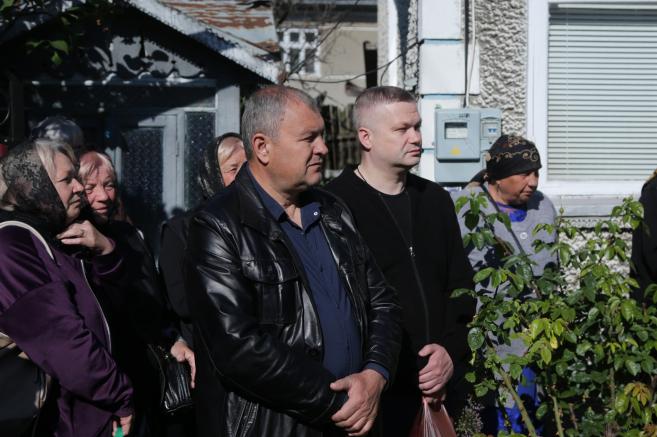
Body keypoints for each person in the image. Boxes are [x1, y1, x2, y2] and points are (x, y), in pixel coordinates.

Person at [185, 85, 402, 437]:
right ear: (262, 147)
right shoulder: (217, 225)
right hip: (276, 426)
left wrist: (376, 374)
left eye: (322, 136)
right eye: (308, 138)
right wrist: (338, 402)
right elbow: (237, 346)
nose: (323, 148)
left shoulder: (333, 211)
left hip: (356, 421)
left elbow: (383, 301)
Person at [326, 86, 476, 435]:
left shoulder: (435, 200)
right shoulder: (335, 206)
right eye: (402, 129)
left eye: (417, 126)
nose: (416, 137)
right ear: (366, 137)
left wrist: (449, 352)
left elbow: (461, 288)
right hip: (373, 396)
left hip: (438, 391)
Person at [0, 139, 133, 436]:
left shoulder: (60, 236)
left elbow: (120, 308)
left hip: (90, 413)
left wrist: (106, 251)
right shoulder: (13, 244)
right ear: (33, 186)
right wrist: (117, 393)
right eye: (66, 180)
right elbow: (60, 338)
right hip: (59, 422)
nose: (78, 187)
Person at [78, 151, 195, 437]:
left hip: (142, 376)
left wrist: (173, 339)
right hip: (98, 383)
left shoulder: (131, 236)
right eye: (90, 187)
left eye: (109, 185)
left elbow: (152, 302)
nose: (103, 196)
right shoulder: (69, 245)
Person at [450, 134, 557, 435]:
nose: (533, 182)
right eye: (524, 174)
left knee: (531, 416)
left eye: (536, 173)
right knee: (497, 420)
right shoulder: (466, 208)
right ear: (497, 176)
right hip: (489, 343)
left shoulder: (543, 207)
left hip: (535, 340)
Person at [160, 133, 246, 345]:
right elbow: (182, 303)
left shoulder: (262, 223)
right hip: (207, 346)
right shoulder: (180, 230)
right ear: (213, 175)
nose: (244, 175)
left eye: (248, 167)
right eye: (233, 169)